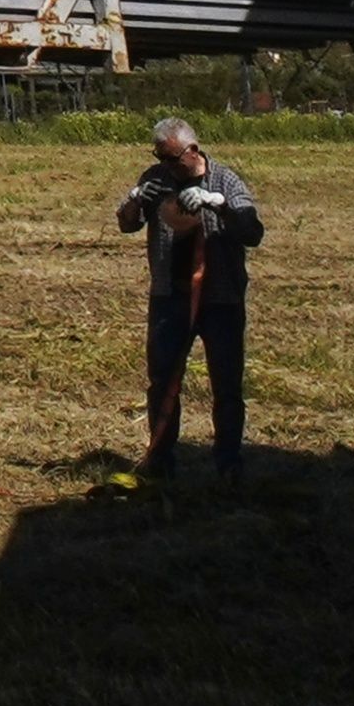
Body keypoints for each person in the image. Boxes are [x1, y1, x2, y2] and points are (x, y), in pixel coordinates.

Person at [117, 115, 264, 478]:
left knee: (226, 386)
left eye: (172, 159)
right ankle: (160, 462)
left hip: (221, 299)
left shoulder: (225, 180)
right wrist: (134, 201)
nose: (166, 166)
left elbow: (252, 232)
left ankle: (229, 464)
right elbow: (126, 224)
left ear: (193, 150)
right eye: (160, 157)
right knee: (162, 382)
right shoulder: (156, 178)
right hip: (170, 297)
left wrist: (219, 204)